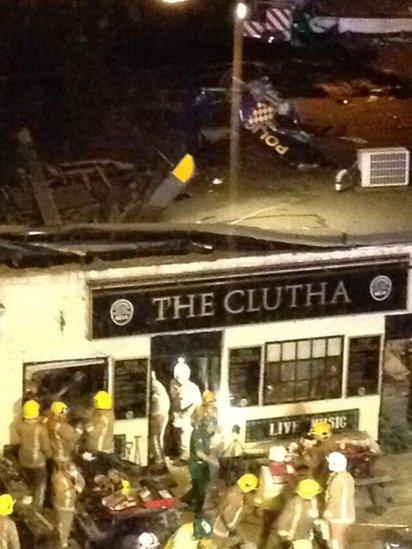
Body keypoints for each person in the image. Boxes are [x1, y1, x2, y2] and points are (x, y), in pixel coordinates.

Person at [16, 399, 51, 507]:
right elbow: (46, 447)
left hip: (23, 459)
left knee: (28, 485)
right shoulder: (41, 429)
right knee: (39, 488)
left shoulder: (19, 425)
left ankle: (26, 506)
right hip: (37, 462)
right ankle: (37, 510)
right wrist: (49, 455)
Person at [272, 478, 322, 549]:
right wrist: (284, 536)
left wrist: (319, 528)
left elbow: (315, 518)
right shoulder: (294, 504)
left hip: (306, 536)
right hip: (293, 537)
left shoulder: (313, 502)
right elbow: (283, 520)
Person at [169, 358, 201, 460]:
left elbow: (197, 403)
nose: (180, 378)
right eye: (178, 376)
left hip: (188, 417)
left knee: (185, 436)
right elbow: (173, 400)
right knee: (178, 436)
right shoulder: (172, 384)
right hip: (177, 416)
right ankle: (180, 453)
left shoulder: (193, 387)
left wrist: (189, 411)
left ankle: (185, 456)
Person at [213, 473, 259, 544]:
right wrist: (232, 532)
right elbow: (231, 519)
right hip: (223, 531)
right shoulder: (240, 500)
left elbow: (222, 505)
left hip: (217, 524)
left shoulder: (232, 490)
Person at [323, 452, 355, 549]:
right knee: (342, 539)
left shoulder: (338, 479)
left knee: (335, 539)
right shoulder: (346, 476)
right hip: (348, 513)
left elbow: (336, 498)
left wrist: (329, 511)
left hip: (339, 515)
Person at [51, 461, 85, 548]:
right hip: (63, 505)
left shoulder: (71, 474)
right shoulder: (60, 479)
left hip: (67, 505)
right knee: (63, 524)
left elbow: (81, 482)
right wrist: (75, 489)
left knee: (64, 523)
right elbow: (64, 495)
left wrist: (78, 486)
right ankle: (63, 543)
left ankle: (61, 538)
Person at [188, 418, 216, 516]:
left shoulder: (206, 433)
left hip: (203, 464)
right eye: (213, 429)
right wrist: (211, 461)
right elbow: (199, 452)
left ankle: (185, 500)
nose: (213, 432)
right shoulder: (198, 434)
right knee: (200, 489)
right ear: (208, 426)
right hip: (197, 465)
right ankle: (198, 511)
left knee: (199, 486)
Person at [48, 401, 82, 465]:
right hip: (62, 457)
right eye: (63, 413)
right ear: (57, 414)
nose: (66, 415)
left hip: (55, 455)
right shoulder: (60, 427)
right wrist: (80, 428)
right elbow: (74, 437)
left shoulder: (49, 421)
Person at [149, 371, 170, 465]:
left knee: (154, 438)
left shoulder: (152, 384)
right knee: (159, 438)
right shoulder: (158, 385)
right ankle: (159, 457)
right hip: (163, 412)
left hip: (158, 413)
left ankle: (159, 460)